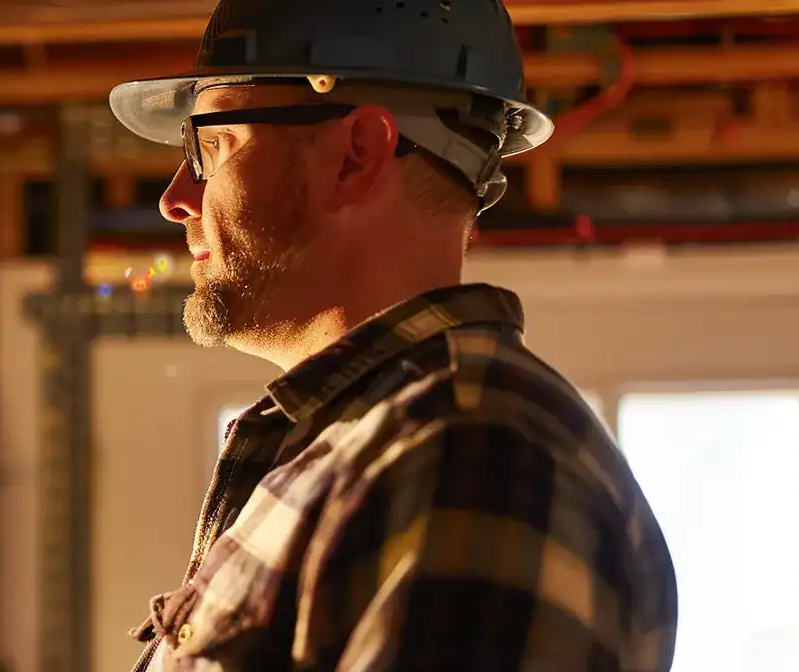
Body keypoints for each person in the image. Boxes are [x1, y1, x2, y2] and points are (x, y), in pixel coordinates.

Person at [107, 0, 679, 670]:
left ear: (354, 156)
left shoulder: (472, 455)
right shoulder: (368, 449)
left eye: (212, 145)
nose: (175, 197)